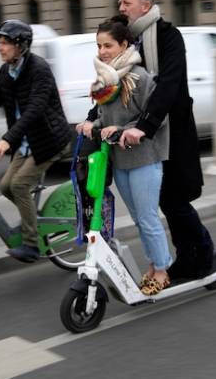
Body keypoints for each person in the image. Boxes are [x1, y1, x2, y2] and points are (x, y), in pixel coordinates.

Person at [80, 0, 214, 280]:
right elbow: (109, 89)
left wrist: (145, 126)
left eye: (126, 2)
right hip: (138, 135)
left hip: (170, 131)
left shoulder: (167, 36)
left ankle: (203, 252)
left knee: (174, 201)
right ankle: (179, 259)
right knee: (160, 203)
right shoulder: (127, 40)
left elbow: (168, 85)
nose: (121, 7)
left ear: (145, 5)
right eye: (120, 2)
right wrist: (92, 119)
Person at [0, 19, 72, 263]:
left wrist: (6, 140)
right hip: (26, 141)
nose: (0, 47)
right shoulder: (6, 71)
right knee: (5, 186)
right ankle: (32, 220)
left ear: (21, 46)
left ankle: (31, 245)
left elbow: (35, 109)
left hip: (49, 140)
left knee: (19, 185)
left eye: (6, 43)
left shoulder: (39, 69)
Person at [87, 15, 172, 295]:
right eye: (99, 45)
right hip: (120, 160)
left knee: (147, 217)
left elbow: (155, 119)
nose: (102, 51)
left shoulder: (139, 77)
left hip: (144, 158)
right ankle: (153, 264)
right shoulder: (105, 82)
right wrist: (92, 125)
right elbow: (107, 117)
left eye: (108, 45)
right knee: (138, 218)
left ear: (124, 45)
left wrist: (122, 128)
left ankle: (161, 269)